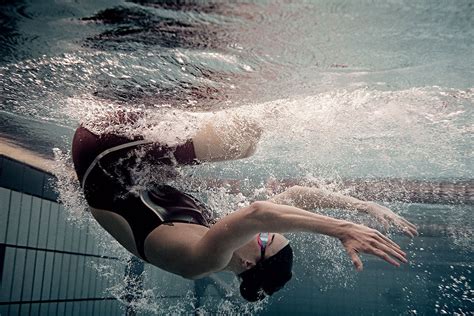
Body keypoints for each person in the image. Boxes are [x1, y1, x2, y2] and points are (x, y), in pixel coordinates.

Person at [71, 112, 417, 302]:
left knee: (237, 138)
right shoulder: (225, 246)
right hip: (125, 159)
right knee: (246, 141)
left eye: (265, 239)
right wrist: (362, 206)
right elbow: (294, 195)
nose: (264, 231)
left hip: (105, 155)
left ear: (250, 262)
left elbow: (259, 213)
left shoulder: (203, 260)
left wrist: (341, 229)